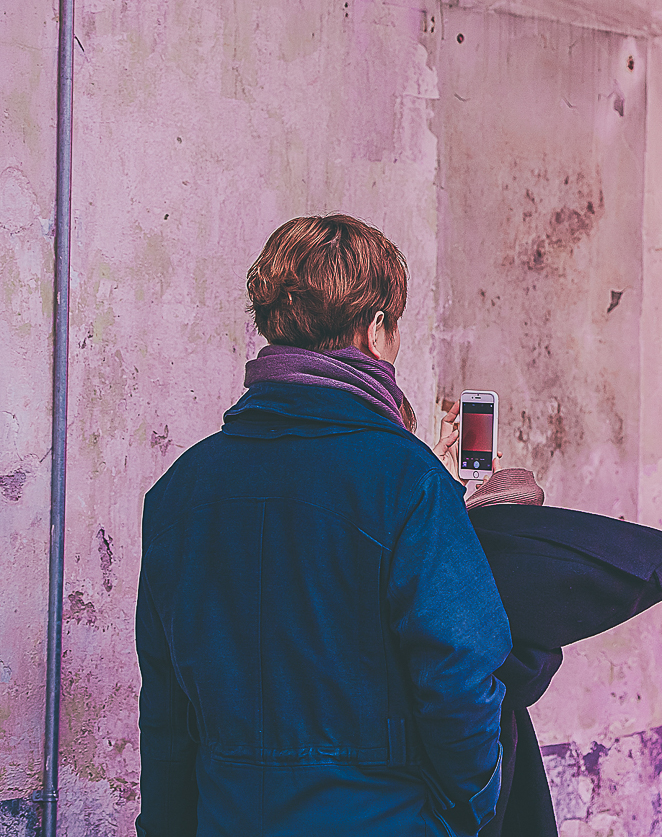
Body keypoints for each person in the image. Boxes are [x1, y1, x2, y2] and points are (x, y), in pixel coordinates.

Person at [136, 214, 512, 836]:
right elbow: (461, 679)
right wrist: (464, 811)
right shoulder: (408, 481)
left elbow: (167, 716)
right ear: (377, 329)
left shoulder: (179, 491)